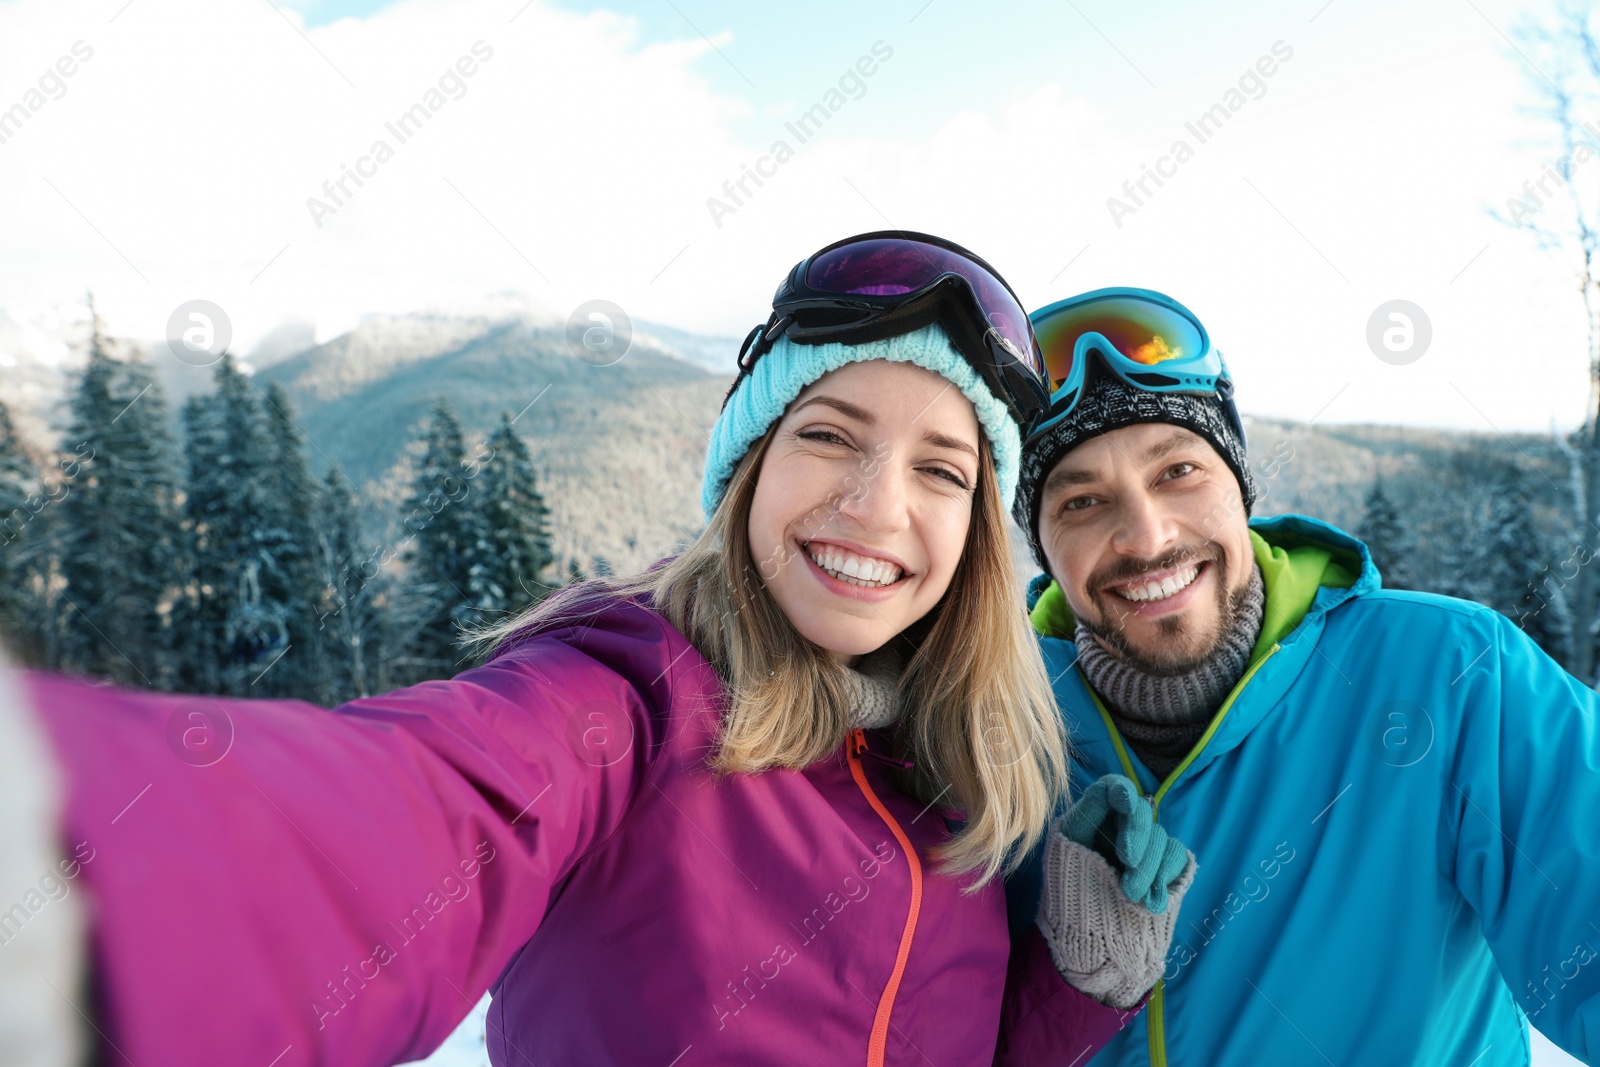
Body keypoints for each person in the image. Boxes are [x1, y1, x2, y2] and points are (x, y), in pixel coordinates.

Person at [22, 235, 1197, 1067]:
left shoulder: (955, 786)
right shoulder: (623, 707)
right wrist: (62, 850)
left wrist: (1077, 972)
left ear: (978, 543)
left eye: (943, 469)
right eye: (828, 433)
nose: (877, 504)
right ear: (744, 475)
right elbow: (404, 815)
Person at [1010, 285, 1600, 1065]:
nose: (1147, 536)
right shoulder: (991, 732)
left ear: (1240, 483)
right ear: (1044, 546)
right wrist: (1066, 981)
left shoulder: (1455, 679)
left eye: (1179, 470)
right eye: (1082, 500)